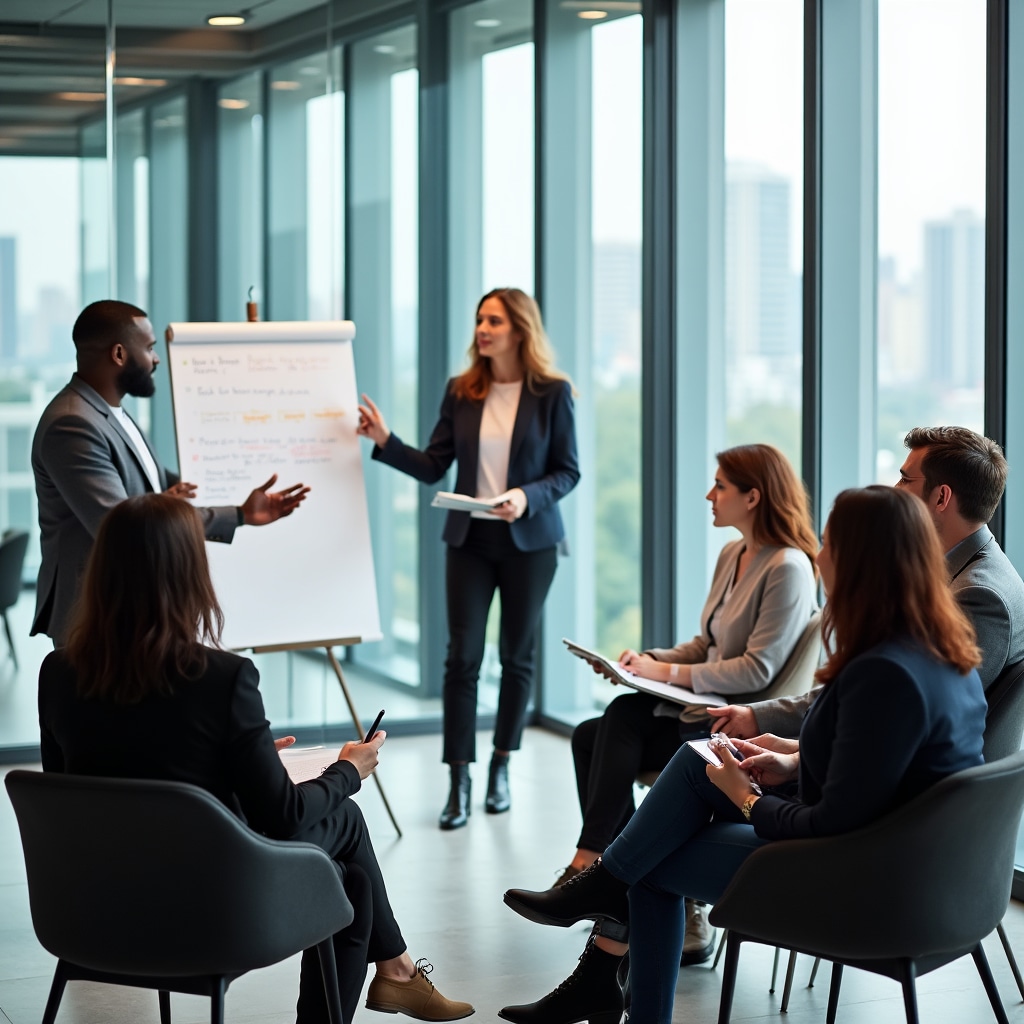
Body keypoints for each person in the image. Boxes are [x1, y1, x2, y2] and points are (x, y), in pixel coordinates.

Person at [499, 485, 986, 1024]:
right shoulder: (942, 652)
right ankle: (601, 923)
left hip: (859, 878)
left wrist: (749, 800)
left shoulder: (883, 670)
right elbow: (889, 763)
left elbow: (830, 821)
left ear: (858, 561)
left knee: (653, 861)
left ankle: (604, 923)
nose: (819, 554)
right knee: (694, 759)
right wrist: (795, 760)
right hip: (915, 865)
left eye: (828, 543)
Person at [38, 494, 473, 1024]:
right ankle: (398, 972)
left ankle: (398, 972)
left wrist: (231, 757)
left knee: (350, 882)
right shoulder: (222, 679)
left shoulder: (58, 674)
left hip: (94, 911)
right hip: (213, 912)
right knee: (347, 827)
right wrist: (347, 771)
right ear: (187, 573)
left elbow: (71, 792)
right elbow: (282, 815)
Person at [548, 444, 818, 962]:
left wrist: (665, 673)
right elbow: (708, 644)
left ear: (753, 496)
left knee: (617, 721)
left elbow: (757, 670)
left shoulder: (788, 567)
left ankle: (602, 865)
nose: (709, 495)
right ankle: (615, 871)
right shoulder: (734, 554)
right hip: (703, 708)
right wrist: (645, 661)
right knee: (594, 732)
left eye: (720, 486)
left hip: (738, 720)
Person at [357, 287, 579, 829]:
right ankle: (459, 778)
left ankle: (502, 765)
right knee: (462, 659)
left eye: (494, 321)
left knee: (516, 657)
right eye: (480, 319)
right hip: (470, 542)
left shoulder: (552, 392)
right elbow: (435, 465)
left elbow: (567, 469)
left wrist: (525, 498)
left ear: (519, 330)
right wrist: (385, 440)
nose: (483, 329)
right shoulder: (463, 391)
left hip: (530, 541)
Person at [709, 425, 1024, 743]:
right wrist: (766, 725)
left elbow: (898, 708)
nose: (895, 489)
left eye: (905, 479)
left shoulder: (979, 594)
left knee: (700, 767)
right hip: (887, 760)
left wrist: (792, 751)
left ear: (941, 497)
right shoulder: (948, 570)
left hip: (921, 785)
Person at [31, 299, 309, 645]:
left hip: (133, 607)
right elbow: (118, 526)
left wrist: (223, 473)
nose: (157, 358)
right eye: (149, 348)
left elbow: (153, 480)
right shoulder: (72, 423)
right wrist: (237, 515)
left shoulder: (109, 411)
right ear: (119, 354)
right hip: (98, 616)